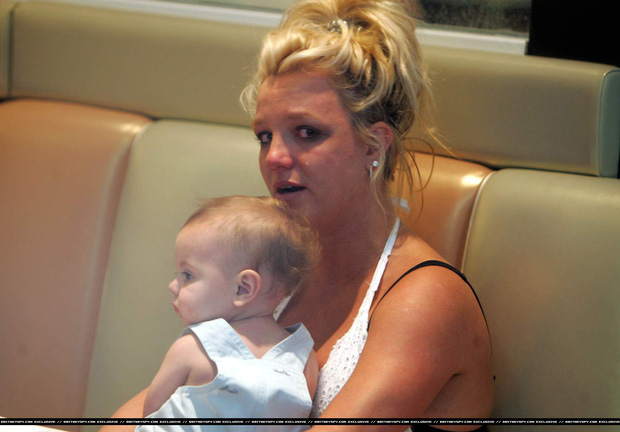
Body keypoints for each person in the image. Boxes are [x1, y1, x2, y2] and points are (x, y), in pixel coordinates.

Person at [104, 0, 493, 430]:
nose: (274, 157)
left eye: (307, 133)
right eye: (264, 136)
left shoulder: (425, 299)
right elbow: (146, 413)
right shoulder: (273, 265)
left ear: (373, 146)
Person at [135, 196, 319, 430]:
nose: (173, 286)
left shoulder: (193, 347)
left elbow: (151, 413)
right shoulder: (304, 358)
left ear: (243, 288)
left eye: (188, 275)